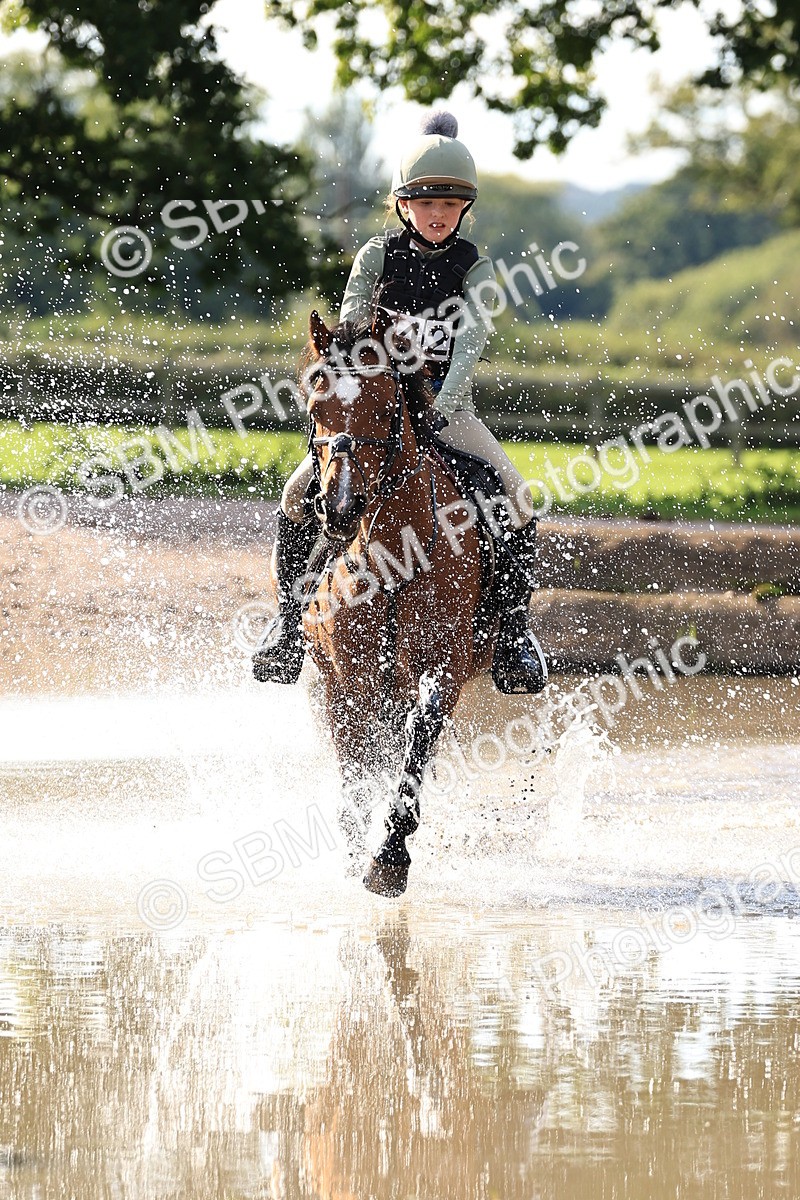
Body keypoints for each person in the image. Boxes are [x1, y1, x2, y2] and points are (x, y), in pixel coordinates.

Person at [253, 111, 546, 694]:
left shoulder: (475, 268)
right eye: (425, 203)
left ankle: (513, 629)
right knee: (295, 495)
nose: (438, 215)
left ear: (464, 209)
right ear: (403, 206)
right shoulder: (376, 257)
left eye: (450, 205)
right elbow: (353, 328)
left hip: (446, 408)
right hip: (375, 411)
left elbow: (472, 341)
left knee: (515, 494)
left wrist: (445, 401)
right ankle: (288, 622)